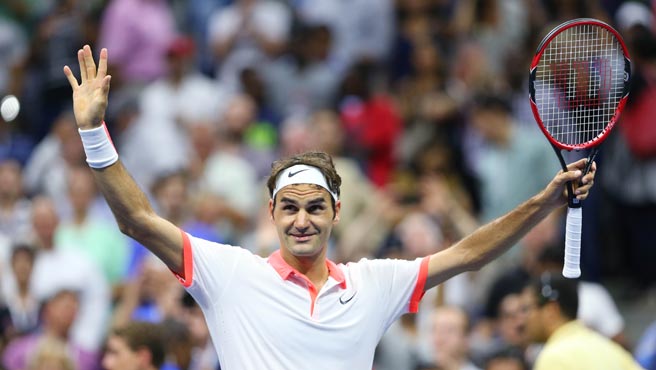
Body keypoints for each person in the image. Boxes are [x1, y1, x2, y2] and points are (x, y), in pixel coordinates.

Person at [62, 45, 596, 370]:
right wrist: (93, 131)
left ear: (336, 213)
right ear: (271, 213)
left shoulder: (373, 284)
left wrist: (545, 200)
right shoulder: (228, 273)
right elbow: (136, 219)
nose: (302, 220)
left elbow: (470, 254)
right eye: (289, 207)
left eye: (315, 207)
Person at [521, 272, 644, 370]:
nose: (522, 320)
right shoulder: (610, 348)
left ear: (551, 311)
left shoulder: (554, 357)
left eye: (527, 309)